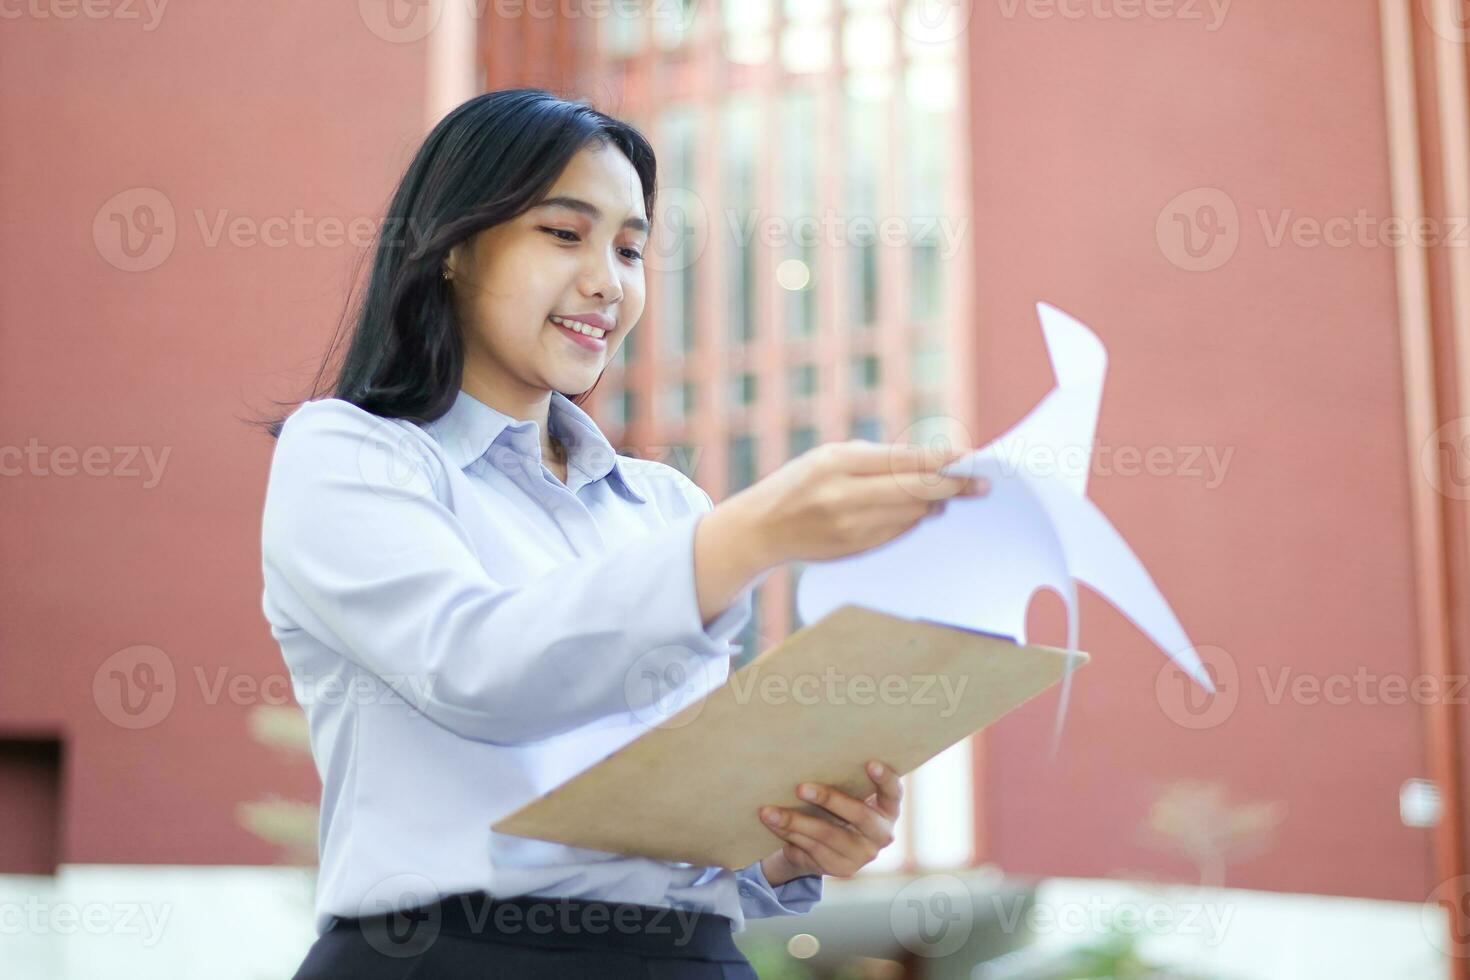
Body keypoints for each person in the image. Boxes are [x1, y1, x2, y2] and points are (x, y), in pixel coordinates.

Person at [257, 87, 987, 979]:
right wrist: (751, 533)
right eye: (564, 234)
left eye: (632, 248)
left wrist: (786, 847)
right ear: (449, 248)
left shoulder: (666, 507)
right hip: (453, 957)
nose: (608, 280)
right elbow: (479, 667)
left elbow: (671, 812)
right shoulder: (348, 453)